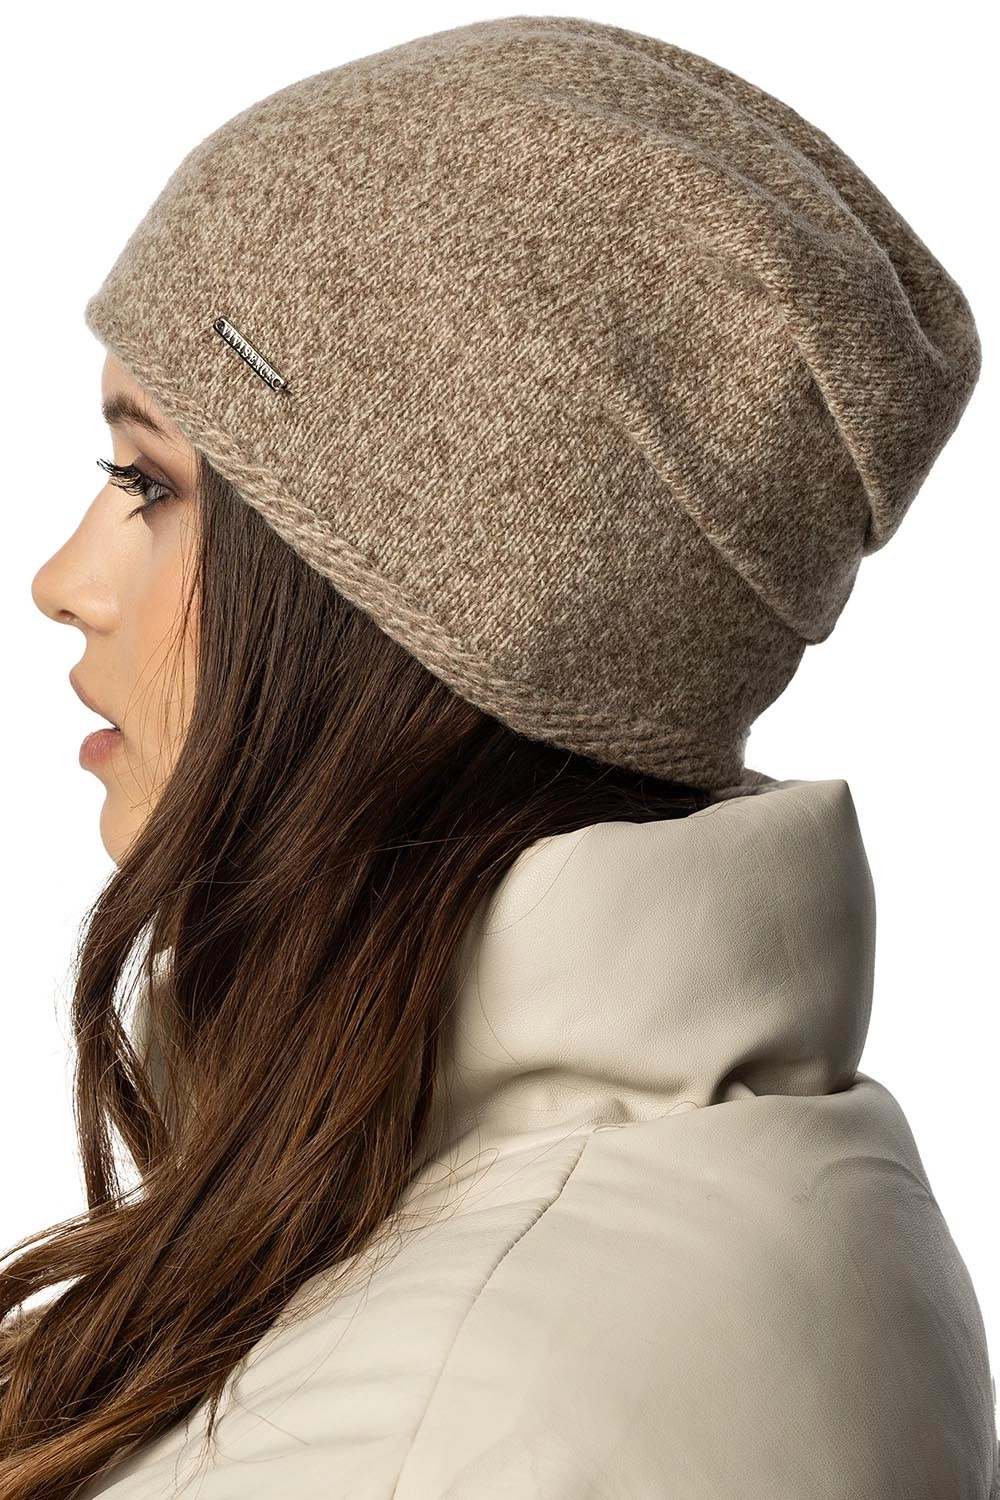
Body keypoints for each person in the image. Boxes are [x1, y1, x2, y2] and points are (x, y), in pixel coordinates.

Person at [4, 15, 997, 1499]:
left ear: (409, 612)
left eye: (146, 480)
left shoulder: (444, 1428)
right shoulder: (756, 1199)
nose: (62, 582)